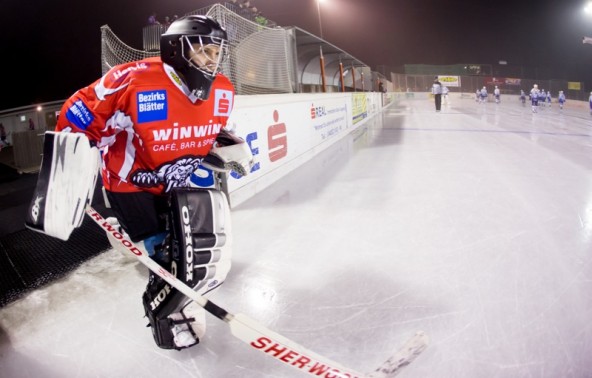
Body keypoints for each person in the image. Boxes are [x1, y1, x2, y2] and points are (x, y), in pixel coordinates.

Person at [49, 15, 253, 351]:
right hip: (131, 185)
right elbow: (78, 114)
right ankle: (165, 316)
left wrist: (230, 147)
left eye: (216, 53)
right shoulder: (132, 80)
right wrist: (70, 163)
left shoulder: (223, 90)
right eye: (202, 51)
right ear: (175, 49)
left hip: (175, 180)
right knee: (164, 253)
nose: (211, 61)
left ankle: (173, 283)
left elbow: (215, 128)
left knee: (191, 246)